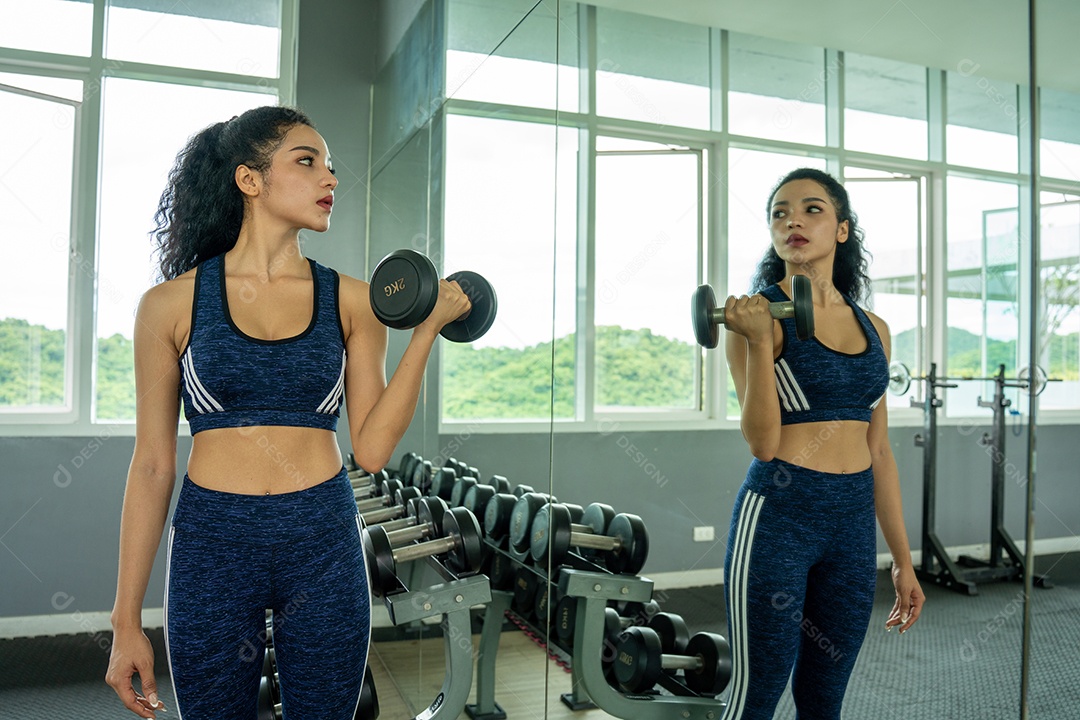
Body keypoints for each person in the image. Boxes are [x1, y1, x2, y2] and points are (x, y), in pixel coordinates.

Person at [105, 105, 470, 720]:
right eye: (307, 162)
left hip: (322, 536)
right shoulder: (169, 305)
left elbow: (374, 448)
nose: (330, 178)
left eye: (331, 165)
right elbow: (151, 467)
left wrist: (427, 332)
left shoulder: (355, 301)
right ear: (250, 180)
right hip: (212, 543)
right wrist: (125, 620)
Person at [720, 168, 924, 719]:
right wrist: (762, 343)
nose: (793, 221)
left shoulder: (875, 328)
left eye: (812, 209)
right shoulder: (752, 319)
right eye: (779, 212)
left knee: (824, 697)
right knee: (755, 697)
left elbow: (880, 451)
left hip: (852, 525)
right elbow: (762, 443)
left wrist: (904, 561)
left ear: (841, 229)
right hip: (781, 514)